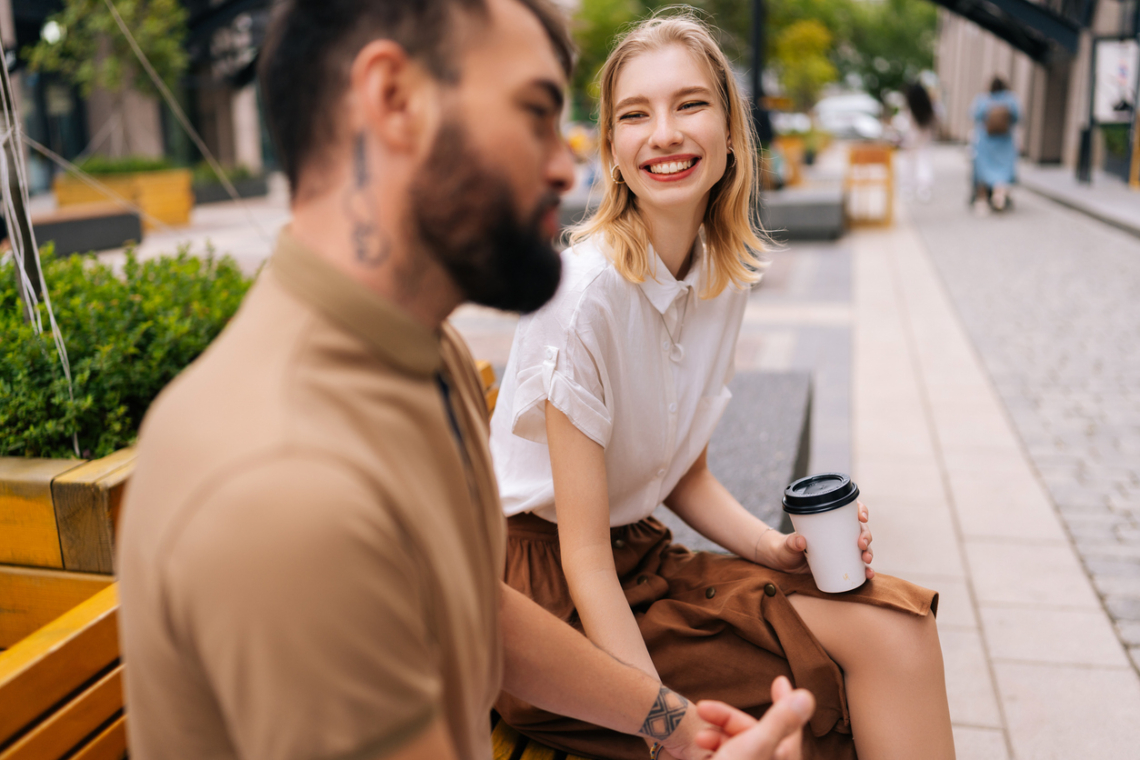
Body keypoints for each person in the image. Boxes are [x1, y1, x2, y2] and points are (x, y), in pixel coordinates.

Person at [116, 0, 816, 759]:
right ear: (394, 102)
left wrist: (674, 729)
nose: (564, 165)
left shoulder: (424, 352)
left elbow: (479, 614)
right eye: (534, 112)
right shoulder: (284, 487)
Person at [489, 13, 955, 760]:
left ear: (733, 132)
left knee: (899, 625)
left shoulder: (718, 275)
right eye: (634, 115)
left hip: (638, 556)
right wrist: (660, 727)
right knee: (823, 684)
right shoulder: (582, 299)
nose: (664, 133)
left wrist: (775, 549)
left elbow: (683, 470)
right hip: (553, 600)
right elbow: (581, 558)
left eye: (690, 105)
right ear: (611, 147)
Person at [971, 76, 1020, 213]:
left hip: (986, 142)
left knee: (983, 172)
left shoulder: (983, 99)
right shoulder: (1011, 99)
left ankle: (982, 201)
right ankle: (999, 197)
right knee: (1002, 172)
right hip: (1005, 142)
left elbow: (974, 115)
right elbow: (1018, 117)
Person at [896, 81, 937, 202]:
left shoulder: (908, 110)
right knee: (924, 165)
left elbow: (901, 125)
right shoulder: (930, 109)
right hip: (924, 142)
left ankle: (907, 190)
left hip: (910, 143)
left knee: (907, 166)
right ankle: (924, 190)